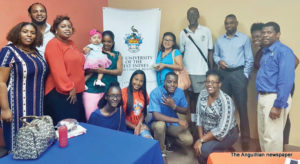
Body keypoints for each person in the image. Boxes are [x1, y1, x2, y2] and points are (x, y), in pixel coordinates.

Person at [0, 22, 47, 151]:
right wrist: (5, 109)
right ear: (18, 33)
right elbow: (1, 82)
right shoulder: (8, 51)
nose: (29, 35)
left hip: (36, 106)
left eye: (32, 33)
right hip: (16, 107)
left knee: (35, 143)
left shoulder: (36, 52)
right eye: (25, 31)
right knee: (18, 146)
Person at [250, 23, 299, 146]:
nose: (265, 35)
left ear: (278, 34)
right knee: (264, 137)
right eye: (264, 32)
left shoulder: (284, 51)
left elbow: (285, 80)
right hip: (263, 97)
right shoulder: (265, 52)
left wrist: (278, 105)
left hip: (274, 98)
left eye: (269, 32)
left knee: (272, 140)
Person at [213, 14, 253, 150]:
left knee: (242, 107)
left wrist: (245, 75)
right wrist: (219, 61)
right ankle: (224, 137)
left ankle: (245, 139)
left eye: (231, 23)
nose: (229, 25)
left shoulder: (244, 39)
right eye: (226, 23)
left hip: (238, 74)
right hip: (224, 75)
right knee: (224, 107)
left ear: (236, 23)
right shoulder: (219, 40)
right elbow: (215, 55)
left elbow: (249, 58)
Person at [44, 16, 86, 125]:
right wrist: (69, 87)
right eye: (63, 26)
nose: (67, 29)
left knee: (76, 126)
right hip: (62, 92)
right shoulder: (53, 44)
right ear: (56, 30)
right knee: (66, 127)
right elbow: (57, 70)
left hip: (76, 91)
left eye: (69, 26)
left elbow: (77, 65)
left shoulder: (71, 43)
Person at [179, 7, 213, 139]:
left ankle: (203, 127)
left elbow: (210, 51)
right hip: (188, 72)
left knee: (202, 100)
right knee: (191, 100)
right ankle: (193, 125)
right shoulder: (183, 33)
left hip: (202, 72)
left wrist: (210, 71)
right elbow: (181, 52)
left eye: (194, 14)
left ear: (198, 15)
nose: (192, 16)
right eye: (189, 14)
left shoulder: (206, 31)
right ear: (187, 17)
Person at [194, 70, 238, 164]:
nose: (210, 84)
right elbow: (199, 117)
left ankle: (224, 153)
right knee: (199, 148)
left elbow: (221, 130)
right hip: (208, 133)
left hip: (227, 134)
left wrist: (201, 140)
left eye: (214, 82)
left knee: (204, 150)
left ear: (220, 84)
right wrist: (201, 140)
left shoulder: (226, 101)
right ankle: (220, 152)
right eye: (208, 81)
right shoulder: (202, 94)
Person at [149, 72, 193, 161]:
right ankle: (162, 153)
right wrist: (177, 120)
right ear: (164, 82)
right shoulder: (156, 92)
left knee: (188, 140)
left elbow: (185, 110)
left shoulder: (179, 92)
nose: (172, 85)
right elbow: (156, 116)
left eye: (175, 82)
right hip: (157, 123)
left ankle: (169, 140)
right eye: (169, 82)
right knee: (160, 126)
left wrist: (174, 106)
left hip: (171, 125)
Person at [83, 30, 123, 121]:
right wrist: (94, 69)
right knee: (91, 118)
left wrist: (103, 70)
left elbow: (119, 71)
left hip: (110, 92)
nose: (106, 44)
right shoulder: (94, 51)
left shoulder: (117, 54)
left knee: (108, 120)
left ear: (113, 42)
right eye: (104, 41)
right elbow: (85, 68)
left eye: (109, 41)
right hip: (92, 90)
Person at [121, 70, 152, 138]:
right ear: (132, 79)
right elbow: (120, 117)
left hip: (140, 125)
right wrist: (135, 127)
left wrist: (139, 125)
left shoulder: (143, 93)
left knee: (148, 141)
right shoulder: (122, 93)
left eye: (141, 81)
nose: (138, 83)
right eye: (136, 79)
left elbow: (143, 112)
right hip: (125, 127)